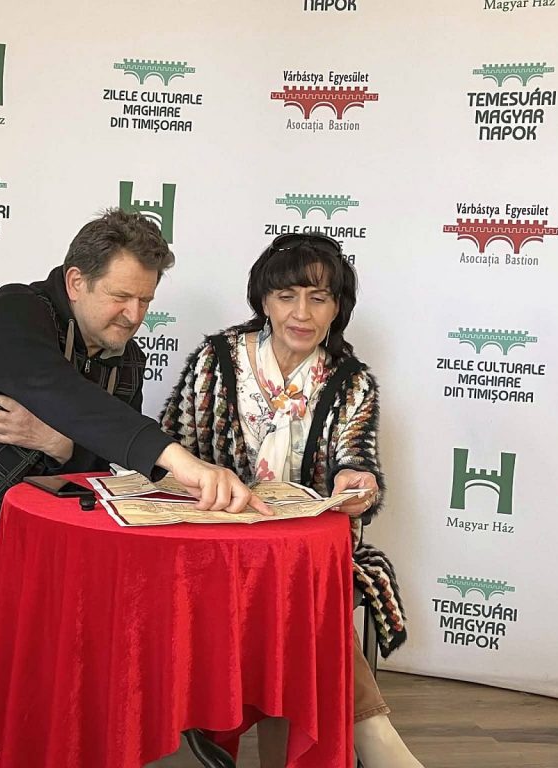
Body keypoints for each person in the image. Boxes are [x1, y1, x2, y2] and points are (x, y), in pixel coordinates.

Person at [0, 209, 268, 768]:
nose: (134, 315)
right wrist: (179, 461)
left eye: (146, 300)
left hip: (28, 514)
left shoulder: (126, 359)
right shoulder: (16, 311)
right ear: (76, 281)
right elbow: (56, 388)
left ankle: (141, 726)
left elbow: (97, 465)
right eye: (121, 296)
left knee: (135, 582)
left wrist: (59, 445)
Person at [160, 232, 422, 768]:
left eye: (318, 298)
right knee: (295, 601)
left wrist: (357, 482)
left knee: (297, 586)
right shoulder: (216, 360)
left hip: (301, 554)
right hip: (214, 545)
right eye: (286, 297)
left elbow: (356, 458)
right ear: (264, 301)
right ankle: (374, 736)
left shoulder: (351, 382)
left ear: (337, 308)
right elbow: (170, 449)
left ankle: (359, 738)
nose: (301, 313)